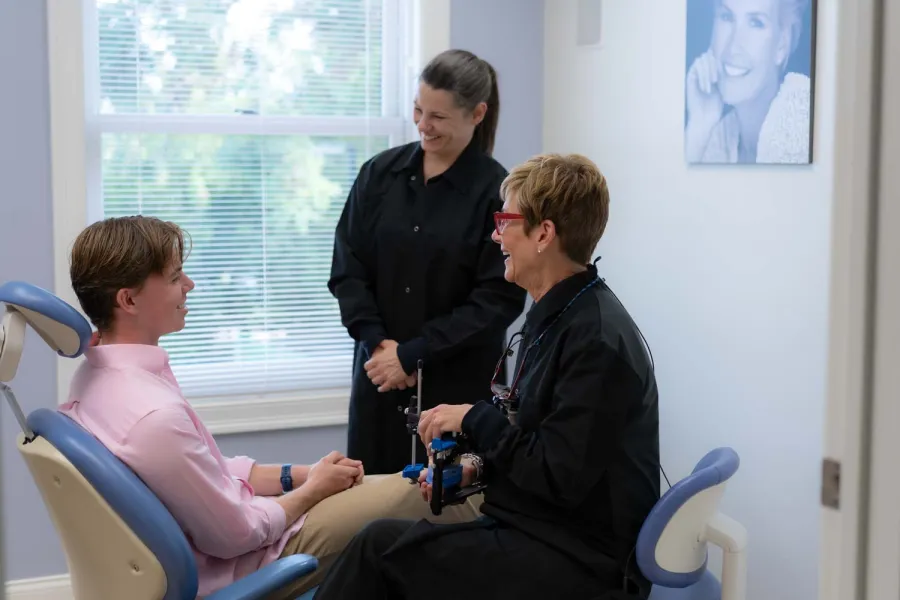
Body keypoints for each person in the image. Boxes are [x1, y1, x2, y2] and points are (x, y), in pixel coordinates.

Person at [58, 216, 483, 599]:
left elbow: (203, 469)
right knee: (439, 493)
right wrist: (313, 490)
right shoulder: (152, 417)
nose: (189, 285)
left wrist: (298, 474)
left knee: (396, 487)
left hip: (252, 532)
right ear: (128, 301)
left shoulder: (96, 379)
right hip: (253, 561)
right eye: (173, 277)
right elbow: (236, 534)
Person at [312, 154, 662, 599]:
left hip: (583, 563)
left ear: (543, 234)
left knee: (377, 550)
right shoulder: (559, 314)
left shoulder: (594, 342)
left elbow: (556, 476)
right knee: (389, 542)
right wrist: (474, 468)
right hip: (541, 528)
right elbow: (536, 439)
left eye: (504, 221)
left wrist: (473, 417)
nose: (495, 235)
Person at [328, 49, 527, 475]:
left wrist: (414, 355)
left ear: (477, 114)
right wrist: (381, 348)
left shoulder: (499, 192)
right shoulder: (378, 175)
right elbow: (348, 269)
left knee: (450, 512)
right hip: (378, 376)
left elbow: (499, 298)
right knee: (373, 507)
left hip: (459, 387)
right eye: (419, 110)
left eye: (437, 116)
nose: (422, 125)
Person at [685, 0, 812, 164]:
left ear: (782, 44)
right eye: (727, 17)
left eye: (756, 23)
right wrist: (699, 125)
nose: (733, 47)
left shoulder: (805, 120)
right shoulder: (721, 137)